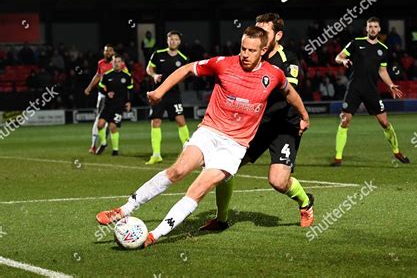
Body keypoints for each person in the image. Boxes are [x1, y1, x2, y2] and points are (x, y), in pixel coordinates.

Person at [96, 26, 310, 248]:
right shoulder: (223, 63)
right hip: (209, 131)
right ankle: (123, 210)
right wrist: (160, 92)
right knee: (177, 170)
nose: (245, 54)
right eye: (243, 48)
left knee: (198, 189)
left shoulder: (273, 74)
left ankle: (153, 236)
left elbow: (290, 93)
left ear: (263, 50)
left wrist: (304, 115)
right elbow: (187, 69)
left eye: (251, 50)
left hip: (234, 147)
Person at [200, 13, 314, 231]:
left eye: (266, 32)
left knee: (278, 182)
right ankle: (221, 219)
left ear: (278, 35)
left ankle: (305, 202)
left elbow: (286, 93)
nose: (259, 36)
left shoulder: (288, 60)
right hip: (255, 126)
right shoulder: (250, 57)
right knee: (223, 168)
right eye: (256, 30)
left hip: (283, 126)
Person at [331, 17, 410, 167]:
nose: (373, 29)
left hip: (371, 90)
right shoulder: (356, 42)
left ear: (379, 29)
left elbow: (382, 71)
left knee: (385, 123)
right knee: (345, 120)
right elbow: (338, 57)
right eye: (370, 27)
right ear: (366, 29)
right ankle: (338, 157)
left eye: (375, 27)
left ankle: (397, 151)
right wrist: (344, 61)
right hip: (354, 87)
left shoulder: (383, 49)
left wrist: (390, 85)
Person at [145, 31, 190, 164]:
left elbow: (187, 75)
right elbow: (149, 69)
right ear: (167, 40)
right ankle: (156, 154)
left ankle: (187, 152)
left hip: (174, 94)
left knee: (180, 120)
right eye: (171, 39)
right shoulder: (158, 54)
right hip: (159, 93)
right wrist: (154, 76)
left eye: (176, 39)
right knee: (156, 121)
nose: (173, 42)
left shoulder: (183, 58)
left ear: (179, 42)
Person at [84, 44, 127, 154]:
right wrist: (89, 87)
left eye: (110, 51)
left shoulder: (119, 64)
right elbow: (98, 76)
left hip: (116, 98)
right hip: (103, 96)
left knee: (109, 122)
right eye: (106, 51)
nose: (108, 52)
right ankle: (95, 144)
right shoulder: (101, 63)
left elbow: (126, 78)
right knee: (100, 118)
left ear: (114, 52)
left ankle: (102, 143)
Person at [95, 54, 133, 156]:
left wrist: (129, 102)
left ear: (122, 63)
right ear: (112, 63)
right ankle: (103, 143)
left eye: (119, 62)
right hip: (108, 105)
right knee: (100, 125)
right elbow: (100, 87)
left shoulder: (127, 76)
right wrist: (107, 93)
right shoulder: (107, 75)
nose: (117, 64)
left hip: (119, 106)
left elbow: (130, 91)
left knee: (112, 127)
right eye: (115, 62)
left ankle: (115, 150)